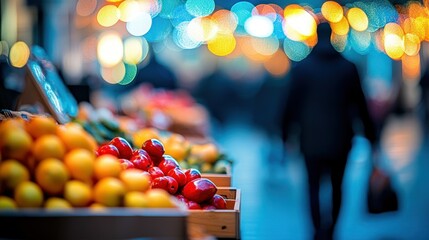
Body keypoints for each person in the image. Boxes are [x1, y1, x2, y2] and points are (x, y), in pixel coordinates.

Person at [281, 22, 377, 240]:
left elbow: (290, 105)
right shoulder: (348, 67)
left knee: (312, 186)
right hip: (341, 139)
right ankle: (332, 230)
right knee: (338, 186)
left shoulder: (302, 68)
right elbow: (360, 104)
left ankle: (316, 230)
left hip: (310, 139)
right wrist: (372, 137)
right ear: (333, 36)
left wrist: (285, 134)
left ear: (315, 36)